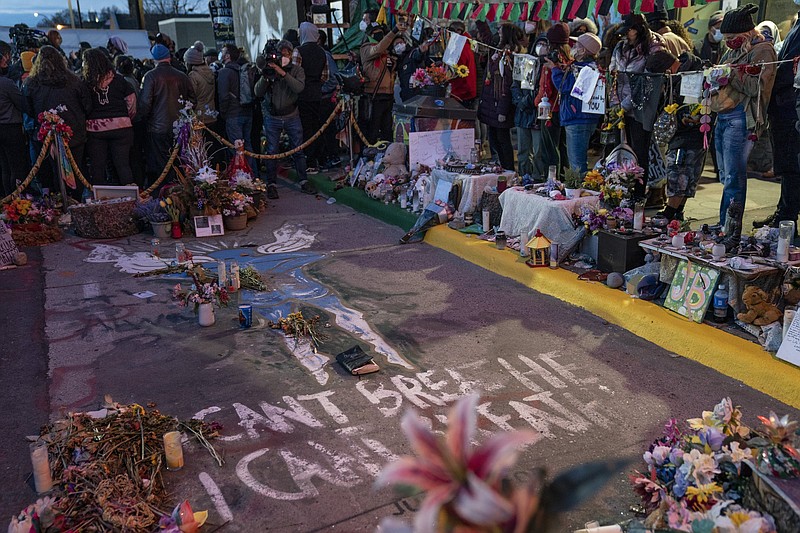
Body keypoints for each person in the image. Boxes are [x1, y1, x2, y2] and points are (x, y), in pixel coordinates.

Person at [710, 3, 776, 231]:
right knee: (726, 176)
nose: (728, 41)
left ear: (746, 32)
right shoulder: (733, 50)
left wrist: (729, 75)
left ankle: (730, 229)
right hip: (724, 116)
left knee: (734, 178)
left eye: (732, 36)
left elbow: (758, 87)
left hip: (742, 118)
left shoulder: (763, 50)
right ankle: (723, 223)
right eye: (726, 37)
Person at [24, 46, 92, 199]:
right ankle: (75, 201)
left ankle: (59, 204)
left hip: (47, 134)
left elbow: (28, 109)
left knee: (55, 170)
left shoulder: (31, 83)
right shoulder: (74, 80)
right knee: (76, 169)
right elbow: (87, 105)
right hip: (74, 132)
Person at [646, 50, 705, 222]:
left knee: (679, 172)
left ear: (669, 68)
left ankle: (671, 211)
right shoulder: (678, 76)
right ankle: (677, 211)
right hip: (684, 134)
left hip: (688, 135)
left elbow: (693, 110)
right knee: (685, 173)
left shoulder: (691, 77)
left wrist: (684, 118)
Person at [610, 14, 664, 200]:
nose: (626, 36)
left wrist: (625, 105)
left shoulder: (654, 47)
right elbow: (613, 74)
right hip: (619, 104)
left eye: (629, 31)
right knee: (620, 149)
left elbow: (647, 82)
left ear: (638, 29)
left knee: (640, 152)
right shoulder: (620, 47)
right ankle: (621, 190)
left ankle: (638, 195)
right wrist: (615, 103)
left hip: (642, 107)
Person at [755, 6, 800, 230]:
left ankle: (787, 219)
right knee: (787, 166)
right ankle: (784, 214)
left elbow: (790, 68)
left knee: (792, 167)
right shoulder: (797, 25)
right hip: (784, 106)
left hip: (791, 105)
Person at [254, 39, 317, 199]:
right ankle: (271, 184)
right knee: (272, 151)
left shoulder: (296, 70)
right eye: (281, 54)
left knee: (298, 149)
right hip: (272, 116)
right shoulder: (269, 70)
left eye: (286, 54)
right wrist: (266, 75)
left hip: (291, 115)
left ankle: (303, 180)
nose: (283, 57)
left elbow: (298, 87)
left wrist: (283, 73)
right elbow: (258, 92)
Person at [138, 44, 195, 185]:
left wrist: (145, 119)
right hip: (179, 125)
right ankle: (180, 188)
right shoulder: (181, 76)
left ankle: (168, 191)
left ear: (154, 59)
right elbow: (193, 100)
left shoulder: (150, 76)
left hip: (158, 127)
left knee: (162, 163)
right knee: (179, 160)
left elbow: (145, 104)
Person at [82, 48, 135, 187]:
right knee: (123, 165)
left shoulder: (86, 83)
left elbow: (84, 106)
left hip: (95, 130)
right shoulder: (119, 80)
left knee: (97, 167)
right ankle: (132, 200)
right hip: (121, 127)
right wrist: (125, 118)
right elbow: (131, 101)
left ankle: (98, 201)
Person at [551, 32, 603, 174]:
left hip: (578, 118)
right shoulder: (584, 66)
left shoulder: (586, 69)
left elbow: (565, 86)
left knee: (577, 164)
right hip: (580, 117)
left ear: (584, 50)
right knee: (577, 160)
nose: (573, 47)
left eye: (577, 45)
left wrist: (555, 69)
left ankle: (579, 192)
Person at [478, 23, 524, 171]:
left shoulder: (509, 55)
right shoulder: (497, 49)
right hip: (491, 102)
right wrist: (480, 20)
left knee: (502, 139)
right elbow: (487, 37)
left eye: (500, 30)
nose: (497, 32)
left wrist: (503, 110)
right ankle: (498, 165)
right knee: (493, 138)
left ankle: (508, 168)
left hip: (499, 104)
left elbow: (507, 85)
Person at [359, 22, 405, 145]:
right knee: (373, 131)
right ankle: (370, 155)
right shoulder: (366, 49)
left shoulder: (386, 52)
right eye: (376, 33)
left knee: (387, 131)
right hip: (374, 96)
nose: (379, 35)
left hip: (388, 96)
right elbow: (377, 49)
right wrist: (394, 31)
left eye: (381, 32)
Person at [294, 22, 329, 172]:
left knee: (305, 128)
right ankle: (320, 159)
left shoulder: (298, 50)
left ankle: (309, 161)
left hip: (302, 95)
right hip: (317, 93)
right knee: (317, 127)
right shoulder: (322, 52)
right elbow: (325, 76)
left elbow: (295, 72)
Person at [217, 45, 256, 172]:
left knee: (237, 148)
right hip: (247, 111)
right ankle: (253, 175)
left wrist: (223, 113)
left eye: (223, 52)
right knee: (248, 145)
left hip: (233, 114)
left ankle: (241, 177)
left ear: (227, 56)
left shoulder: (224, 72)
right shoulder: (243, 69)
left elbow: (223, 97)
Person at [0, 40, 28, 198]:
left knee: (5, 167)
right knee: (16, 167)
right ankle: (17, 200)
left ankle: (6, 199)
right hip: (11, 129)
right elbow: (22, 104)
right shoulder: (7, 83)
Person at [317, 30, 340, 170]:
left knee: (328, 130)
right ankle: (324, 157)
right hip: (318, 98)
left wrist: (322, 89)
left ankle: (332, 156)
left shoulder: (325, 56)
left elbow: (334, 77)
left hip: (325, 98)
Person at [447, 21, 477, 108]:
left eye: (451, 30)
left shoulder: (462, 46)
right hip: (463, 90)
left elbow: (457, 68)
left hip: (462, 91)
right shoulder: (462, 43)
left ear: (459, 31)